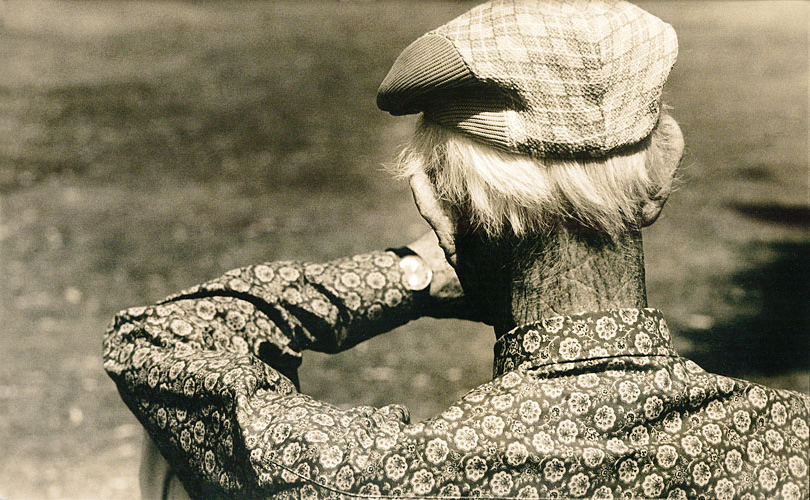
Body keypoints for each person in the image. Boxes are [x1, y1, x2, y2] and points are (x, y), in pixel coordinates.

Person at [104, 1, 810, 499]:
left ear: (436, 207)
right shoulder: (790, 440)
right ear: (657, 181)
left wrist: (406, 276)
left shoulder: (373, 473)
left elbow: (157, 345)